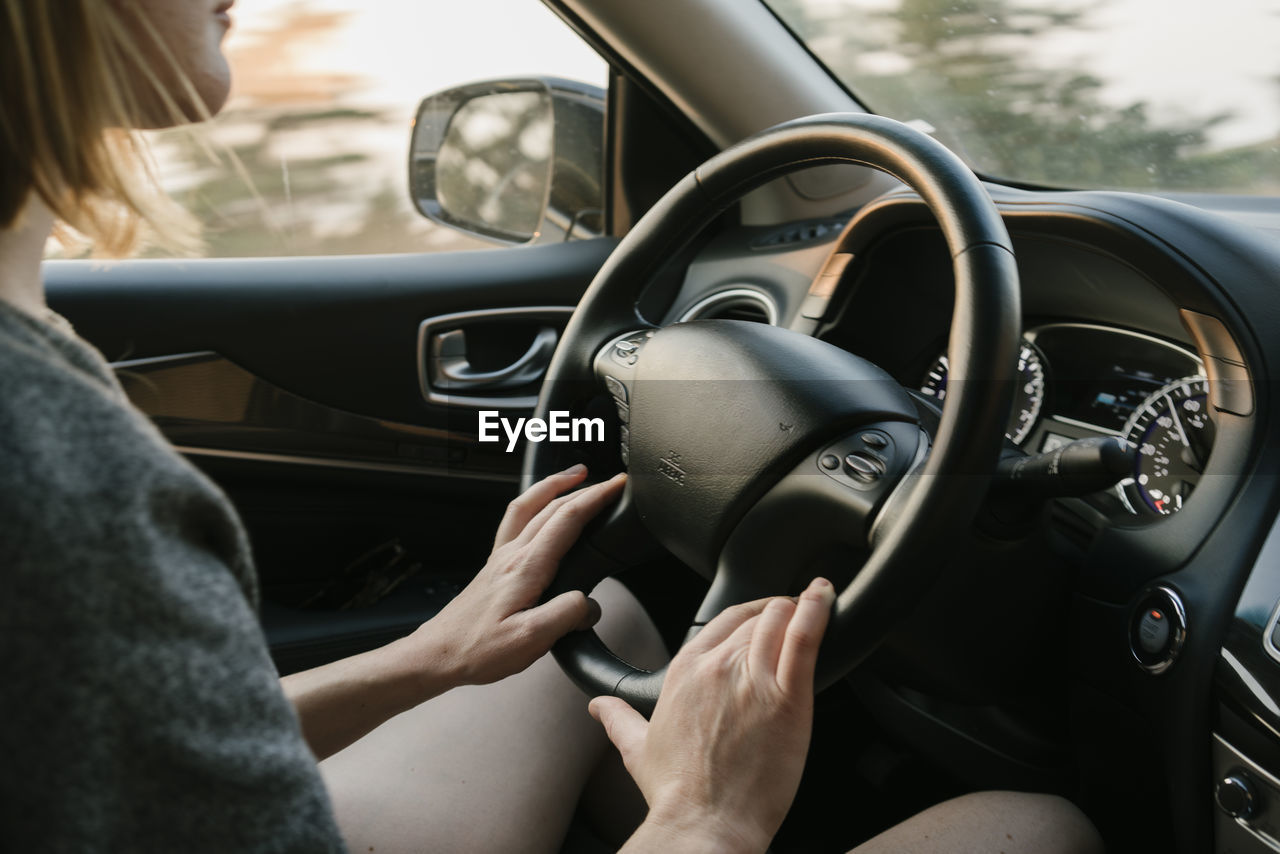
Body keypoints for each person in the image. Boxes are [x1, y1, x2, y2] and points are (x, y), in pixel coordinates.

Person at [0, 1, 1104, 852]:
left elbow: (118, 757)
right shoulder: (50, 469)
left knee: (597, 617)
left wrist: (424, 659)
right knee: (1031, 829)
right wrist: (702, 819)